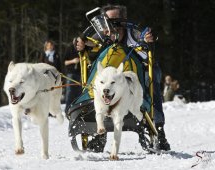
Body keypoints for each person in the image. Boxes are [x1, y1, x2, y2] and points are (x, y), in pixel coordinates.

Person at [76, 4, 170, 151]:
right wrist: (81, 43)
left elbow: (148, 34)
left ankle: (158, 129)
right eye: (109, 20)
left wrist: (149, 36)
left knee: (153, 77)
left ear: (124, 19)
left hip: (136, 75)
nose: (113, 24)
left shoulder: (134, 33)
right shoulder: (101, 34)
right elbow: (85, 41)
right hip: (111, 82)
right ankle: (98, 134)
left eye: (117, 19)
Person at [64, 37, 82, 109]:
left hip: (81, 74)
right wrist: (73, 61)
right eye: (76, 42)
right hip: (71, 73)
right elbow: (65, 62)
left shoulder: (83, 49)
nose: (77, 44)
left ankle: (77, 109)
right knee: (70, 92)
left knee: (79, 93)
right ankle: (67, 109)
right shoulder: (69, 49)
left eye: (78, 42)